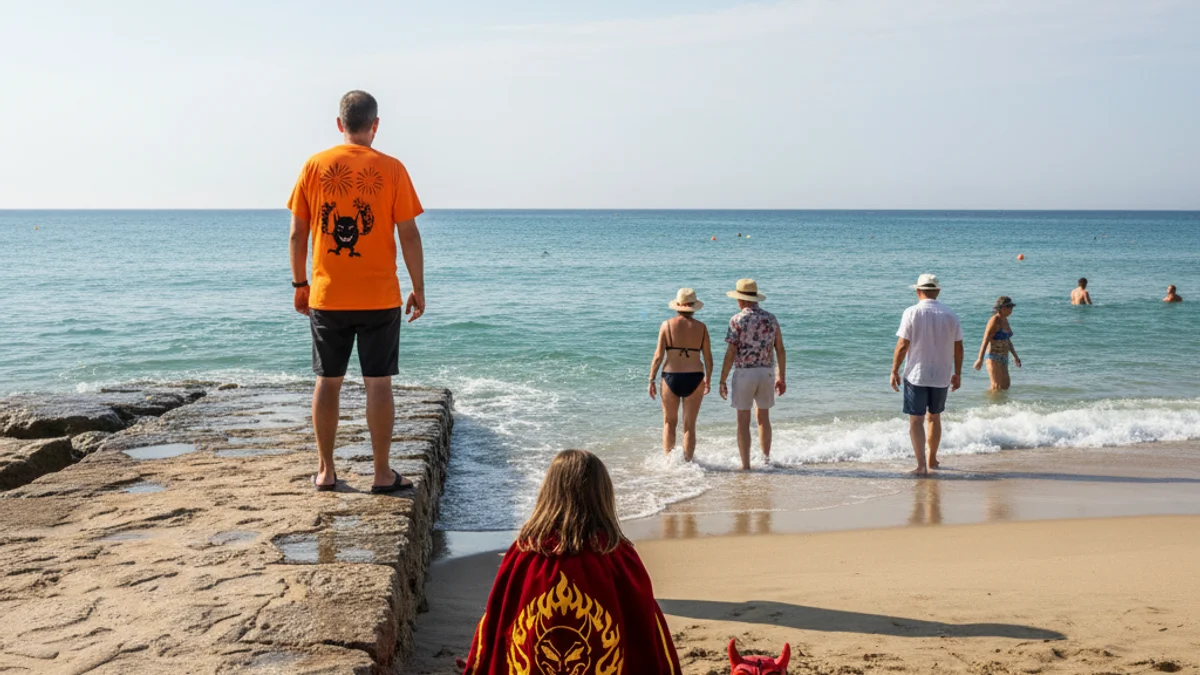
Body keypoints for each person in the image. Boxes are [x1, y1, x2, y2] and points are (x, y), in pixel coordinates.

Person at [287, 90, 426, 493]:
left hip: (328, 296)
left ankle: (326, 471)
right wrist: (418, 288)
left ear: (339, 124)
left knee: (327, 382)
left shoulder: (315, 166)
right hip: (380, 296)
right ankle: (382, 474)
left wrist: (300, 284)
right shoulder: (393, 169)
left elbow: (299, 232)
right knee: (378, 383)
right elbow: (410, 235)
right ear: (375, 125)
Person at [460, 450, 683, 675]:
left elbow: (496, 622)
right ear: (603, 496)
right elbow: (647, 629)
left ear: (549, 493)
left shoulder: (524, 553)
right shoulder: (618, 556)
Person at [889, 274, 963, 476]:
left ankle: (921, 465)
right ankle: (932, 459)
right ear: (937, 291)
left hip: (916, 374)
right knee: (935, 418)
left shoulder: (912, 312)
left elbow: (903, 345)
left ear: (917, 291)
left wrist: (894, 369)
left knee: (916, 420)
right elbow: (958, 348)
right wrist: (957, 373)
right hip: (941, 374)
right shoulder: (950, 314)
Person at [718, 279, 786, 470]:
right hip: (766, 372)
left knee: (743, 421)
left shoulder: (736, 320)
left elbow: (731, 352)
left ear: (741, 299)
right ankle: (765, 460)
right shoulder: (771, 319)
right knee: (763, 419)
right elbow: (780, 349)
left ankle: (746, 465)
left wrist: (722, 379)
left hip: (744, 373)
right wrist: (781, 376)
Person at [649, 288, 713, 461]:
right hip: (695, 377)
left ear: (677, 305)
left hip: (671, 377)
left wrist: (651, 379)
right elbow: (708, 357)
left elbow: (658, 356)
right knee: (689, 426)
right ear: (694, 307)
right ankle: (688, 466)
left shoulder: (667, 325)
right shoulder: (701, 328)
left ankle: (670, 464)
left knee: (669, 423)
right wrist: (709, 379)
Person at [973, 296, 1022, 391]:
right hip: (993, 356)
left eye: (1011, 307)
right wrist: (980, 359)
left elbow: (1007, 340)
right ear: (1002, 308)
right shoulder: (994, 320)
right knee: (996, 386)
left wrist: (1015, 356)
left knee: (1005, 386)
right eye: (1009, 307)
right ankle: (990, 405)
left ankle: (1001, 406)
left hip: (1004, 356)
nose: (1011, 310)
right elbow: (985, 340)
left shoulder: (1005, 319)